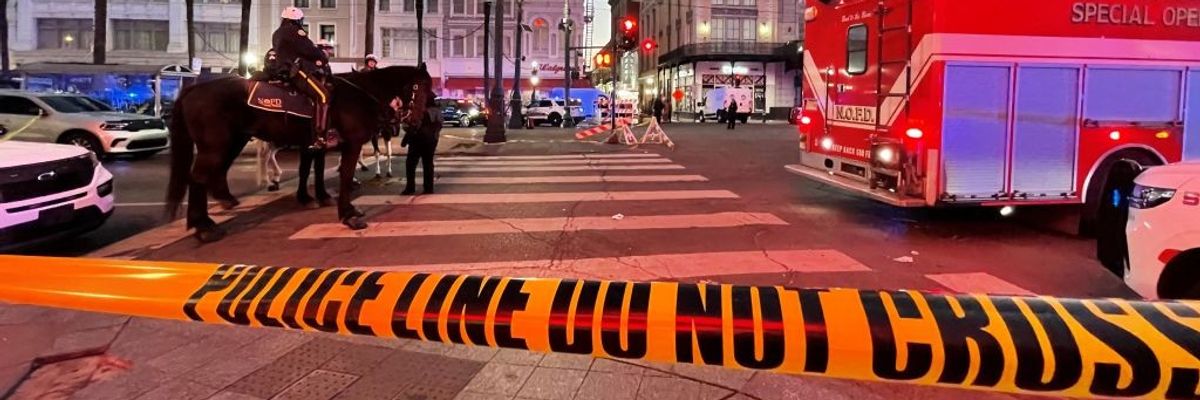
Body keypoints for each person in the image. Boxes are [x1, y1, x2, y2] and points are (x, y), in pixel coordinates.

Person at [272, 6, 331, 150]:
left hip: (283, 69)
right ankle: (320, 135)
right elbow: (308, 48)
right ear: (297, 20)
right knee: (323, 95)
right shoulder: (295, 31)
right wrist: (322, 57)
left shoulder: (277, 32)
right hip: (295, 71)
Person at [401, 96, 444, 195]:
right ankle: (428, 188)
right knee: (427, 164)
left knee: (411, 164)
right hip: (429, 141)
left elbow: (406, 125)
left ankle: (410, 188)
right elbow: (440, 125)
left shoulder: (415, 110)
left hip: (416, 141)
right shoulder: (435, 111)